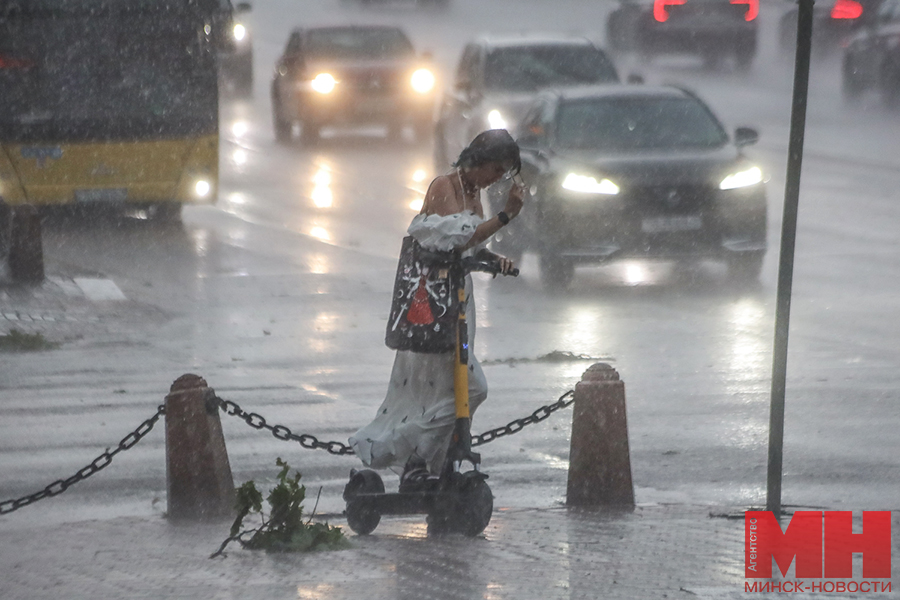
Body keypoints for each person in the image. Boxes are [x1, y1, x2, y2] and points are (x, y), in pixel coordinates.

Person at [349, 129, 525, 486]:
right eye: (494, 169)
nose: (496, 179)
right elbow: (457, 238)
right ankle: (413, 453)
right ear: (476, 161)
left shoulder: (475, 195)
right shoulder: (444, 187)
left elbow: (472, 247)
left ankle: (432, 464)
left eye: (503, 173)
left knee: (455, 389)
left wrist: (494, 260)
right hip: (433, 307)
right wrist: (507, 215)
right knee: (471, 388)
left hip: (459, 302)